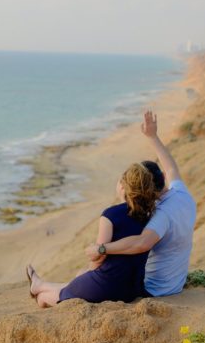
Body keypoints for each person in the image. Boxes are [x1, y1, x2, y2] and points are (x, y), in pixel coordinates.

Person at [83, 109, 197, 297]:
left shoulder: (161, 215)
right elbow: (171, 167)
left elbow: (141, 244)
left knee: (86, 275)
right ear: (161, 177)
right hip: (174, 282)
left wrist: (101, 248)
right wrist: (152, 136)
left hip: (153, 288)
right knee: (85, 276)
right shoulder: (181, 194)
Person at [26, 161, 160, 306]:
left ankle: (42, 296)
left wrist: (88, 273)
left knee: (67, 289)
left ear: (122, 186)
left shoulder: (111, 215)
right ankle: (39, 284)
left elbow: (98, 258)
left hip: (106, 287)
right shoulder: (150, 216)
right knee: (79, 280)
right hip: (132, 290)